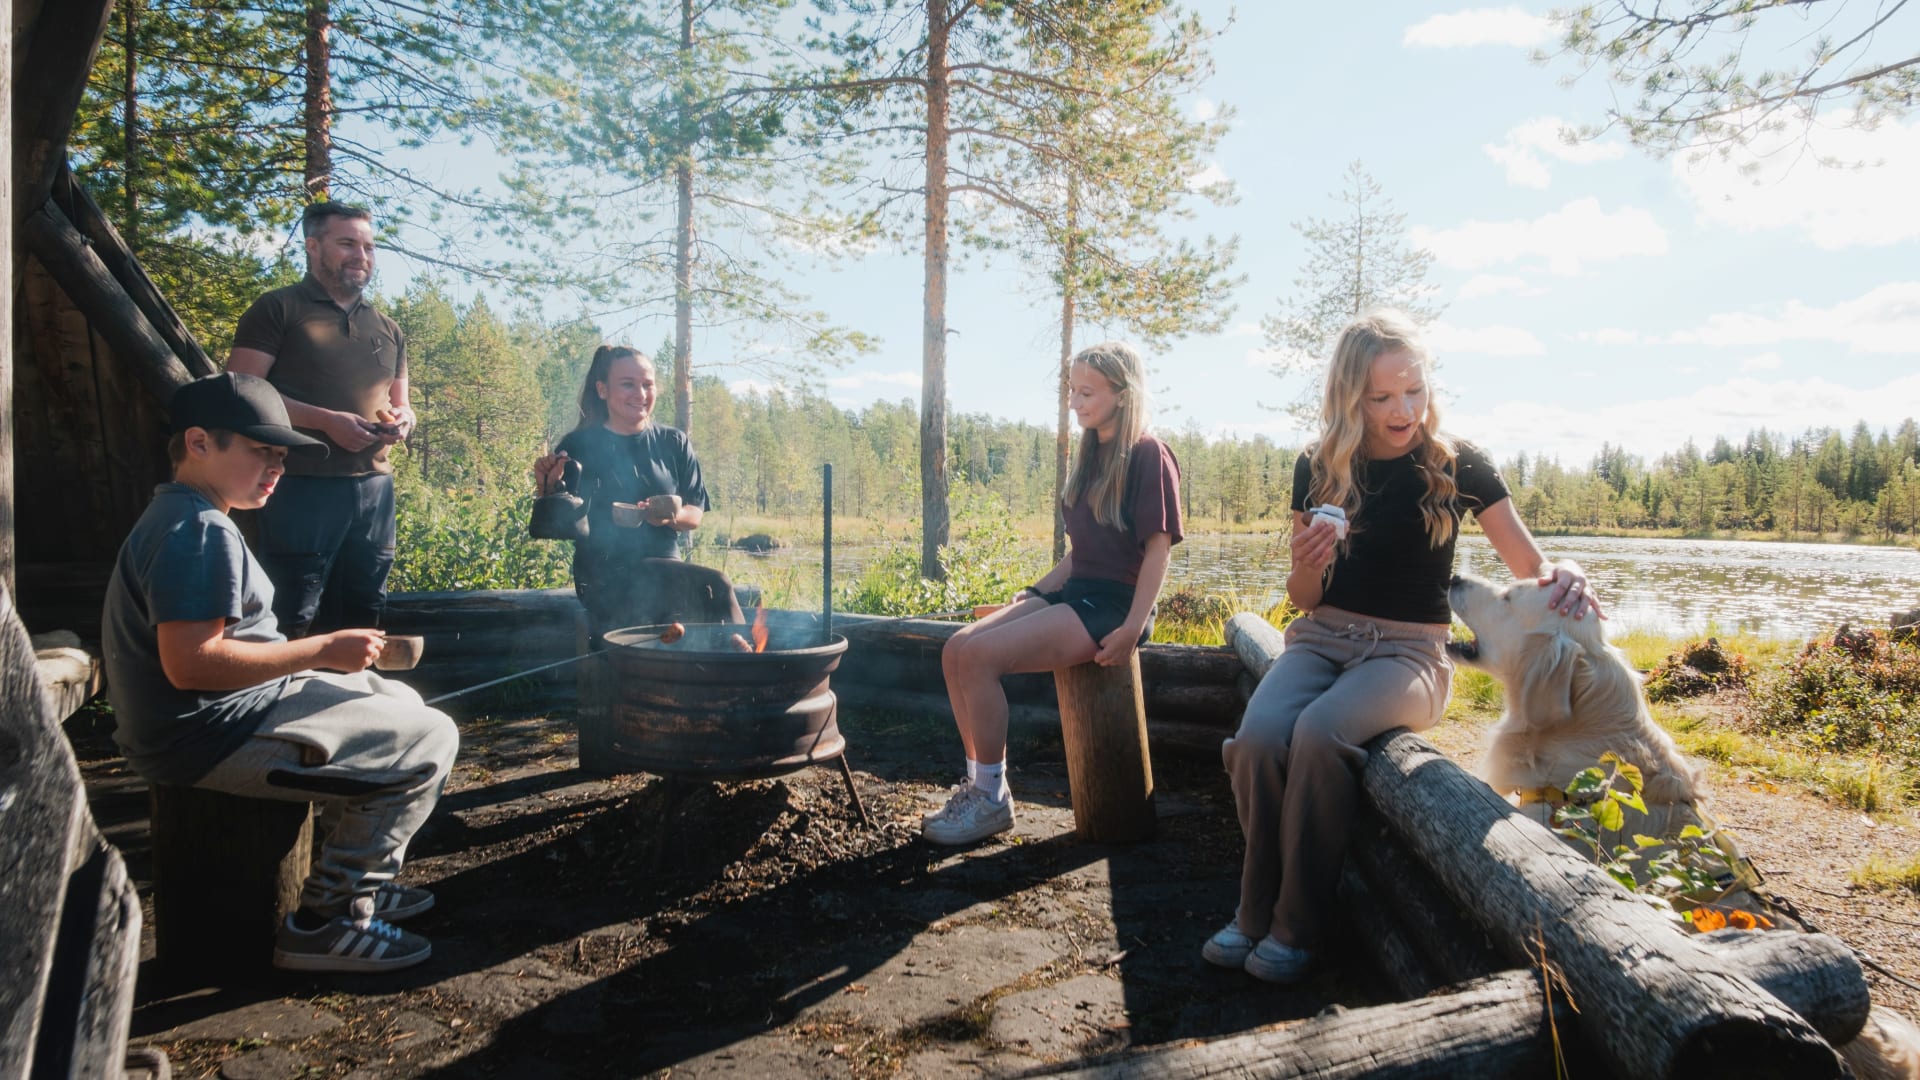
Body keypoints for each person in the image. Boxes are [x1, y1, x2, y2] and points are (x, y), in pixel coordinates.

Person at [1203, 309, 1604, 983]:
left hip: (1412, 656)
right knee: (1258, 740)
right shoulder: (1319, 466)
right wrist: (1306, 558)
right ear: (1349, 397)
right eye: (1382, 397)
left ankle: (1294, 926)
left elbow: (1528, 566)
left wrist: (1568, 573)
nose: (1403, 409)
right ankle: (1251, 910)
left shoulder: (1458, 463)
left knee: (1321, 733)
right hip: (1320, 638)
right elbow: (1303, 598)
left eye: (1413, 391)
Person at [102, 372, 458, 973]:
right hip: (204, 735)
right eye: (259, 451)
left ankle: (360, 876)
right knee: (431, 739)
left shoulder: (190, 513)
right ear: (198, 443)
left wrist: (330, 662)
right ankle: (328, 917)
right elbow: (190, 665)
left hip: (225, 714)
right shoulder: (197, 532)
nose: (276, 468)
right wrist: (320, 651)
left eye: (281, 454)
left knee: (395, 698)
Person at [922, 342, 1184, 846]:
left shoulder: (1149, 453)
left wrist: (1132, 626)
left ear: (1123, 394)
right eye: (1071, 390)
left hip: (1114, 606)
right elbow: (1079, 553)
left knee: (979, 660)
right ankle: (979, 785)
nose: (1074, 402)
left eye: (1087, 392)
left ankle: (991, 801)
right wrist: (1032, 592)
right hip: (1077, 592)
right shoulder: (1092, 454)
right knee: (957, 648)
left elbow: (1158, 551)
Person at [227, 201, 413, 638]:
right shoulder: (278, 309)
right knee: (294, 610)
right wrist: (326, 421)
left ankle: (355, 702)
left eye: (368, 246)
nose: (361, 255)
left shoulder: (387, 328)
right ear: (313, 246)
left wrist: (403, 422)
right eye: (347, 243)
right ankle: (286, 703)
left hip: (374, 489)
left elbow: (403, 404)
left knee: (366, 609)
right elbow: (240, 390)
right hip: (300, 485)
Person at [531, 345, 743, 636]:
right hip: (603, 577)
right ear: (602, 389)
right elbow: (558, 524)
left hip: (667, 572)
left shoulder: (674, 442)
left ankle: (728, 670)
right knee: (716, 585)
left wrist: (669, 517)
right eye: (628, 384)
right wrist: (549, 486)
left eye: (647, 384)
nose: (641, 394)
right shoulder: (579, 446)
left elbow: (694, 514)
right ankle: (748, 665)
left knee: (702, 605)